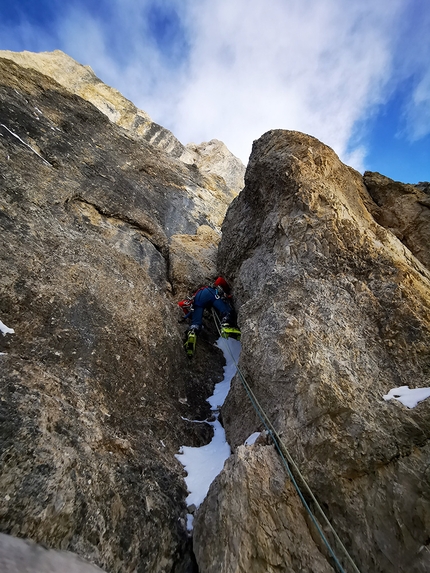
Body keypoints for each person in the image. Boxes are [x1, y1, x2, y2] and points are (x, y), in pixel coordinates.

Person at [178, 277, 240, 357]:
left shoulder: (195, 295)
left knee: (196, 323)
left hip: (197, 300)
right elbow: (220, 280)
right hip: (211, 294)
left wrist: (188, 315)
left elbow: (181, 304)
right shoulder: (210, 287)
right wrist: (227, 290)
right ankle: (226, 324)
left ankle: (193, 331)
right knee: (226, 311)